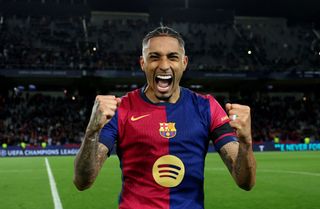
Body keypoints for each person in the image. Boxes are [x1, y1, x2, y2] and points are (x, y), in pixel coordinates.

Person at [73, 26, 256, 209]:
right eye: (154, 57)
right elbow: (83, 181)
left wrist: (246, 142)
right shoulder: (121, 108)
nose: (164, 65)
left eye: (172, 57)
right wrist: (92, 130)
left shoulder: (207, 107)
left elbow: (245, 182)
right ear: (142, 63)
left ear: (184, 63)